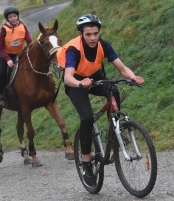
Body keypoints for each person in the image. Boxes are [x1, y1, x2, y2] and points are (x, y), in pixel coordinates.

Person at [57, 14, 144, 187]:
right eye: (88, 34)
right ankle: (87, 164)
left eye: (95, 33)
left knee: (113, 89)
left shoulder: (103, 45)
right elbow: (67, 77)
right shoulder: (74, 50)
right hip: (76, 81)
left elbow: (121, 67)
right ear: (81, 34)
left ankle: (115, 130)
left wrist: (133, 77)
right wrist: (80, 83)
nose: (93, 38)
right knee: (87, 118)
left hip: (95, 76)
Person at [0, 6, 32, 108]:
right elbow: (0, 48)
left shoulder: (23, 27)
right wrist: (8, 60)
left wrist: (33, 49)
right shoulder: (4, 30)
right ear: (7, 19)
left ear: (17, 16)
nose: (13, 19)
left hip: (21, 53)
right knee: (3, 73)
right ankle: (2, 96)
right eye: (10, 17)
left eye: (14, 16)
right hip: (7, 55)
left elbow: (30, 42)